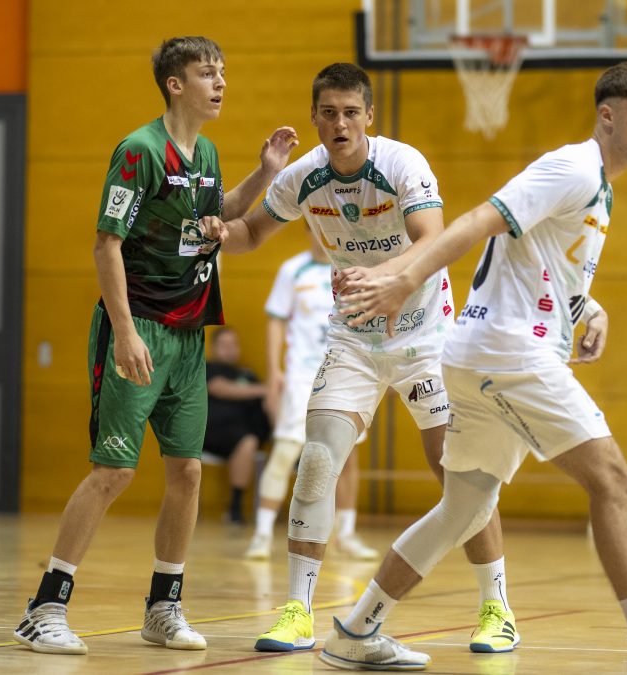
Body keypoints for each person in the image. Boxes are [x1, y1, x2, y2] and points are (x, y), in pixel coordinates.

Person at [323, 62, 627, 674]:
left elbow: (543, 261)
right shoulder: (572, 166)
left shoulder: (600, 187)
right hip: (509, 353)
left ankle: (354, 632)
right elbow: (477, 222)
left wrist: (589, 309)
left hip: (482, 355)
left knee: (463, 507)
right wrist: (402, 280)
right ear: (608, 116)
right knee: (613, 480)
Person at [209, 63, 514, 655]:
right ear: (315, 118)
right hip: (353, 340)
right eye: (329, 112)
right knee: (319, 458)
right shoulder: (303, 177)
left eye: (351, 112)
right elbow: (250, 234)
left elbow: (432, 238)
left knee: (458, 474)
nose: (340, 123)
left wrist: (375, 275)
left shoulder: (402, 164)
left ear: (369, 116)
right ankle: (297, 609)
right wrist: (222, 232)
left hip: (426, 336)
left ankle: (496, 607)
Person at [11, 36, 297, 655]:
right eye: (207, 74)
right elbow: (105, 244)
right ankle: (45, 607)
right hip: (140, 327)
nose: (219, 83)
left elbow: (214, 211)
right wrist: (124, 331)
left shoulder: (209, 151)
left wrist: (266, 174)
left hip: (191, 334)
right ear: (175, 84)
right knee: (113, 470)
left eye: (223, 72)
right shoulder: (139, 151)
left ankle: (163, 608)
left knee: (188, 471)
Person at [246, 233, 378, 561]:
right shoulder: (293, 271)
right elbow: (275, 320)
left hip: (343, 373)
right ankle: (262, 534)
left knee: (348, 457)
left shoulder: (352, 268)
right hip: (301, 375)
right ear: (310, 230)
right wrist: (274, 369)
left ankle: (346, 535)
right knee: (286, 450)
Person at [204, 326, 271, 525]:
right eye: (224, 345)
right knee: (247, 440)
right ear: (214, 347)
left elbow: (267, 399)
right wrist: (266, 389)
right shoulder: (207, 368)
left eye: (234, 344)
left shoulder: (247, 374)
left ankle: (237, 506)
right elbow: (221, 389)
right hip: (212, 432)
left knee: (248, 440)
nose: (230, 349)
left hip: (244, 432)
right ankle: (235, 505)